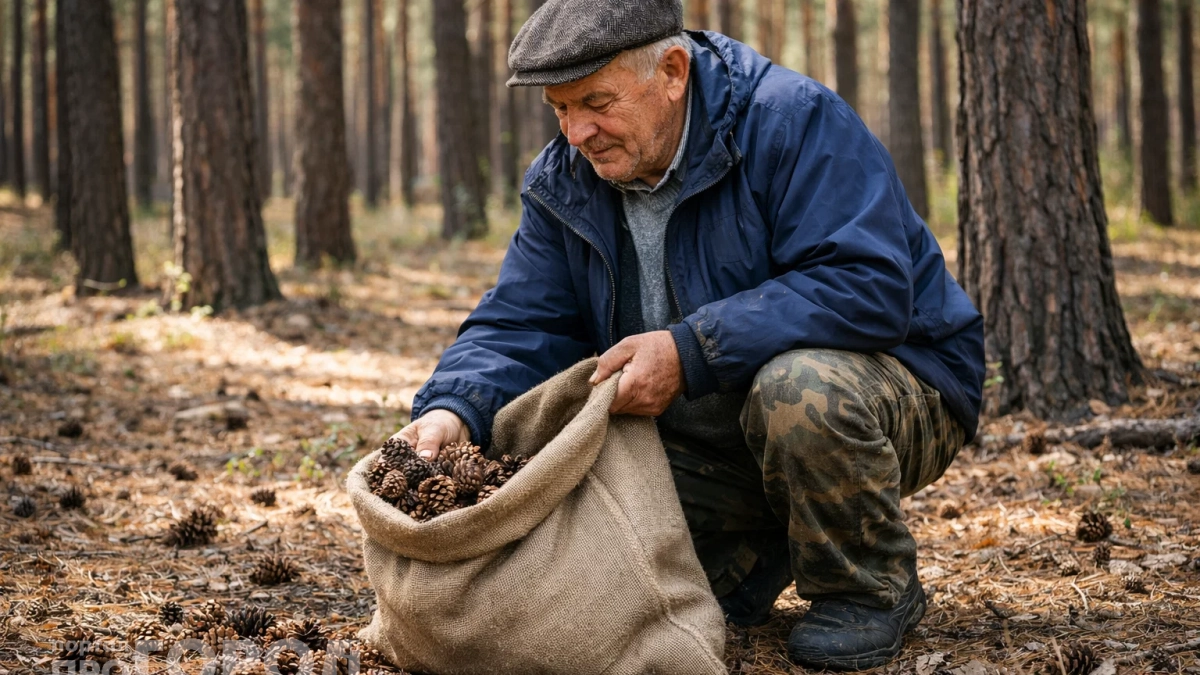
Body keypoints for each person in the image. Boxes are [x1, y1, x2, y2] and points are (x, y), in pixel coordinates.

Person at [395, 0, 985, 669]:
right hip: (716, 422)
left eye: (596, 101)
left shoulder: (791, 121)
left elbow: (869, 286)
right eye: (559, 109)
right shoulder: (565, 177)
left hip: (897, 388)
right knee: (567, 492)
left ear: (673, 71)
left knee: (798, 388)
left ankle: (868, 587)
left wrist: (690, 349)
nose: (577, 131)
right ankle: (769, 542)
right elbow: (522, 320)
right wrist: (452, 406)